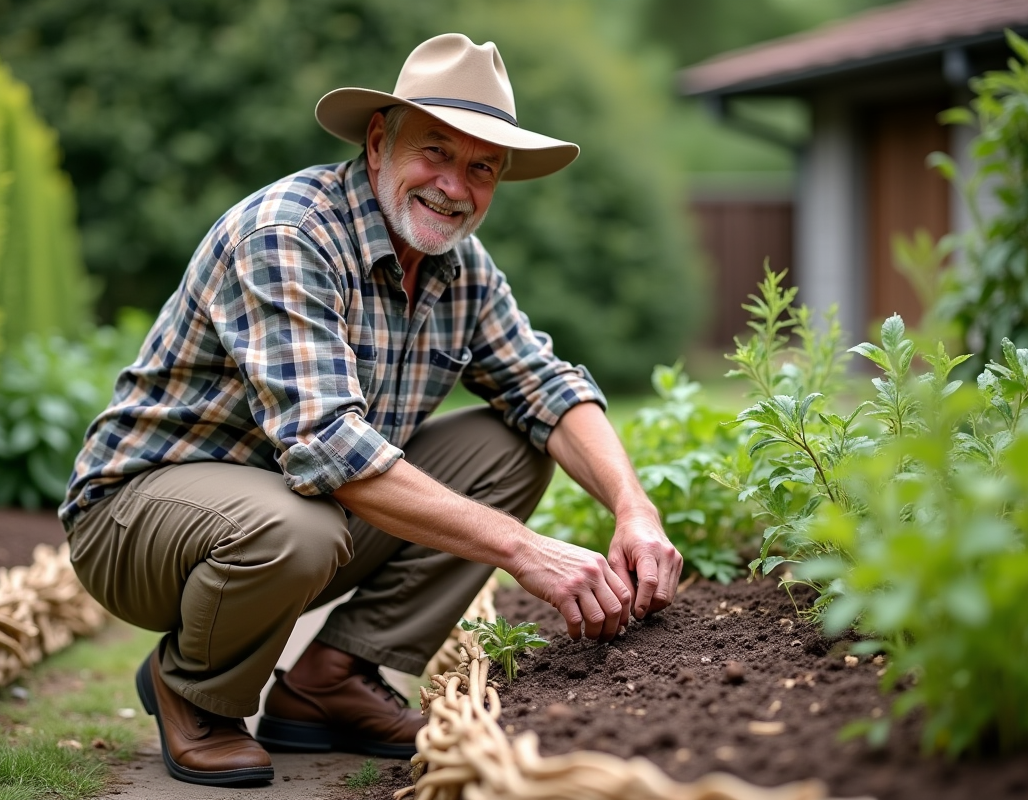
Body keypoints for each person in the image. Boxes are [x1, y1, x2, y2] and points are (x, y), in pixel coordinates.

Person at [59, 32, 682, 788]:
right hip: (137, 523)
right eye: (436, 152)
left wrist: (634, 508)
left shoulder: (462, 271)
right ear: (380, 141)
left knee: (512, 446)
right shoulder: (290, 234)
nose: (455, 186)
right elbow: (327, 448)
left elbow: (546, 388)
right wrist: (526, 551)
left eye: (481, 167)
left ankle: (329, 679)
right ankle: (193, 691)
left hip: (290, 518)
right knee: (299, 524)